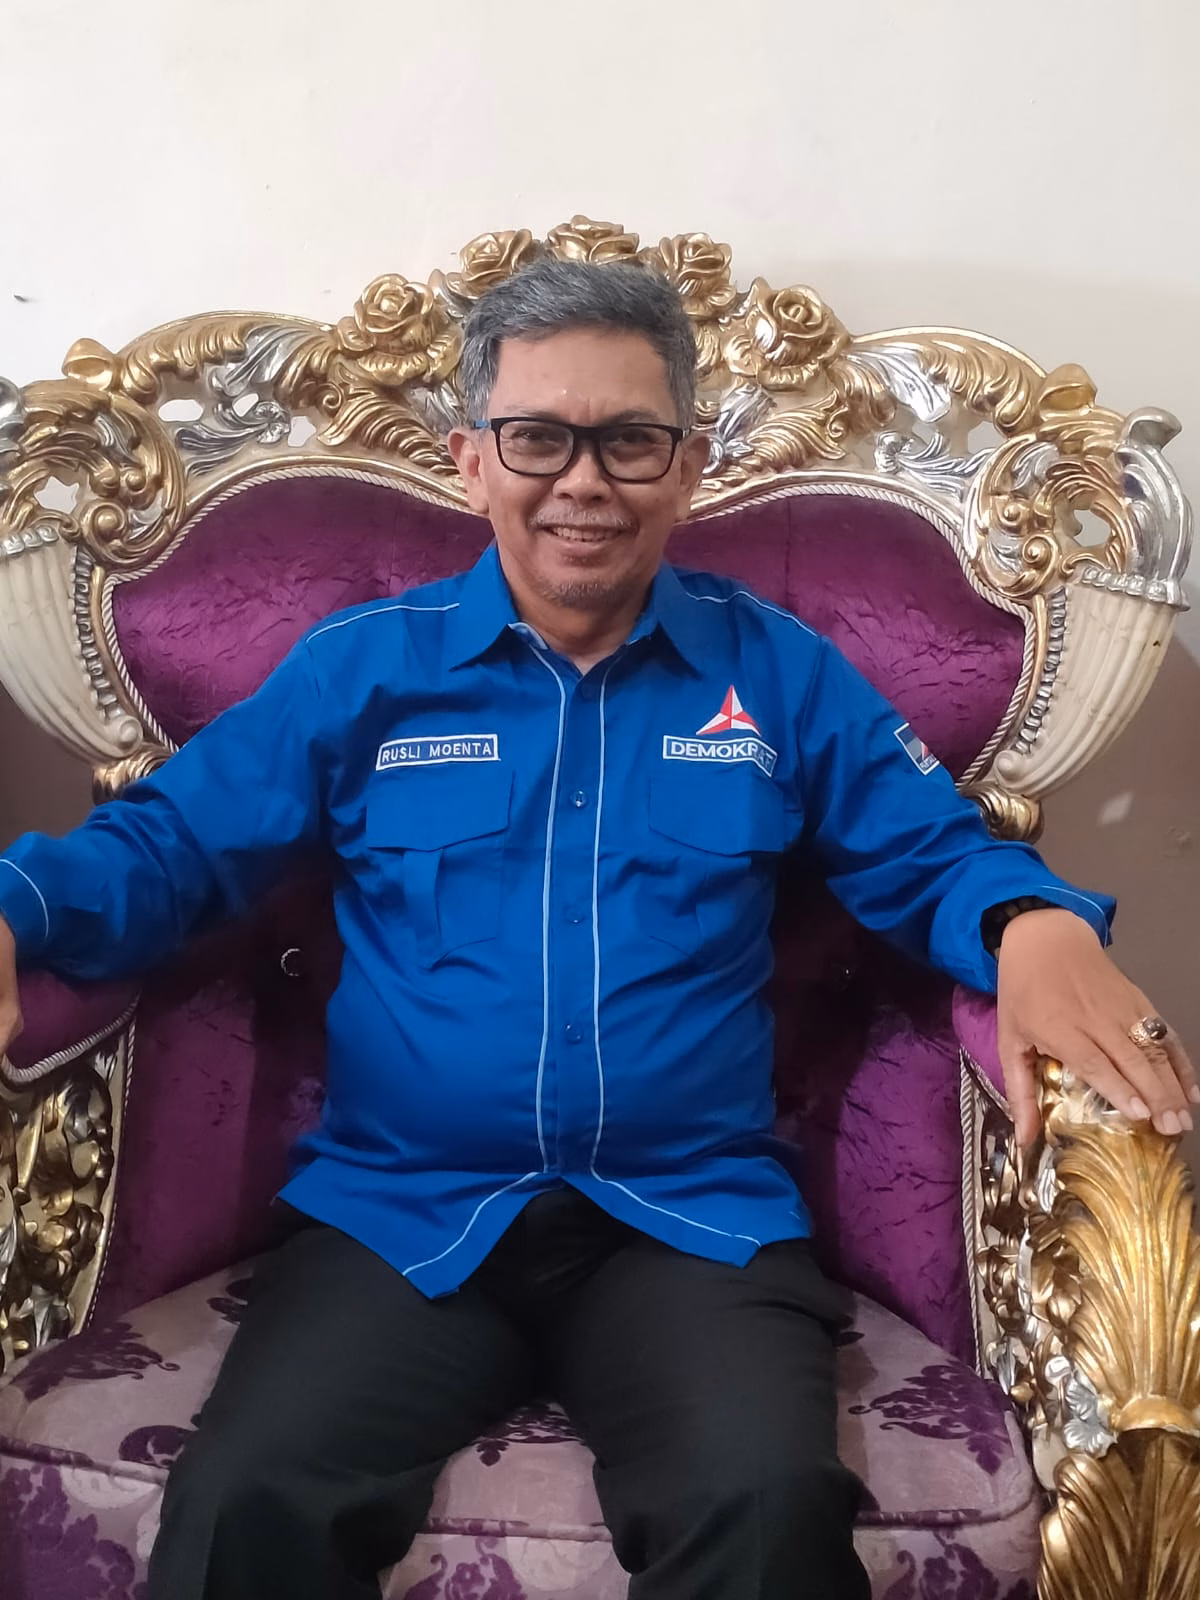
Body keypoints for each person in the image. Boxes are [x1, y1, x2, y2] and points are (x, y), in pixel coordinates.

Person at [0, 259, 1193, 1600]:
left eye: (629, 440)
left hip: (686, 1222)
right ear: (473, 461)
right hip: (406, 1215)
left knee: (764, 1508)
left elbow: (933, 853)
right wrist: (17, 907)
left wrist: (1032, 923)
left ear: (685, 468)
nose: (583, 481)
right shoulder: (363, 671)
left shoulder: (780, 674)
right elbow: (169, 847)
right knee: (247, 1502)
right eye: (538, 438)